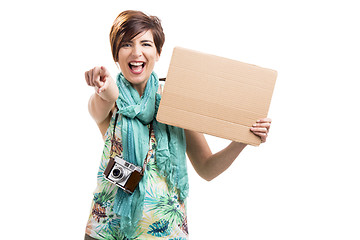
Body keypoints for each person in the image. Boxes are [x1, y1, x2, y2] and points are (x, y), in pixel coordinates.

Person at [84, 10, 271, 240]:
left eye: (146, 44)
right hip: (108, 230)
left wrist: (242, 140)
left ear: (158, 52)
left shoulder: (176, 100)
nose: (137, 52)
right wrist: (103, 86)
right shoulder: (111, 101)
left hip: (166, 231)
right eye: (126, 44)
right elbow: (103, 101)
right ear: (116, 54)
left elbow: (207, 168)